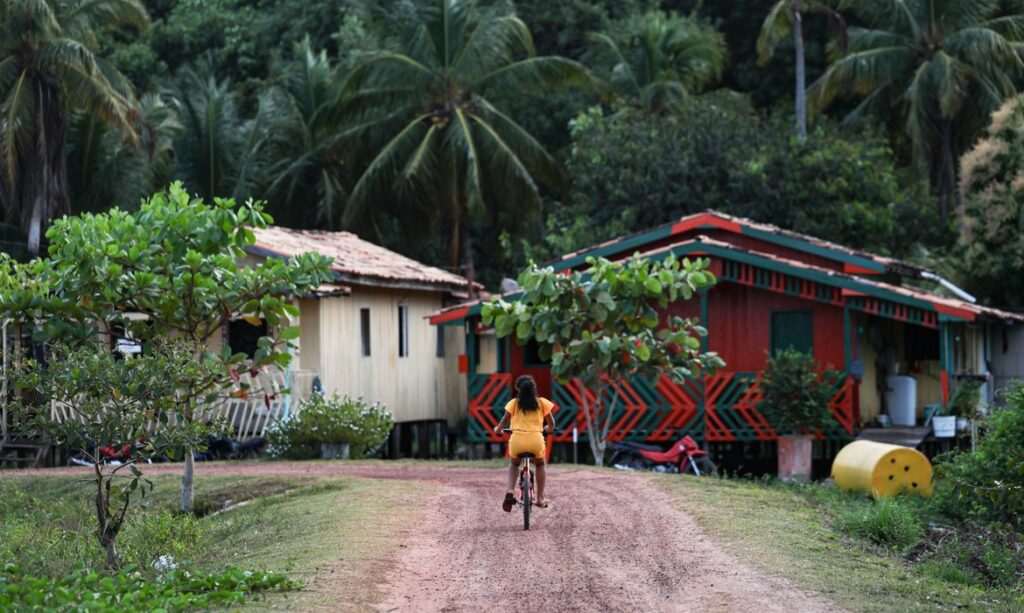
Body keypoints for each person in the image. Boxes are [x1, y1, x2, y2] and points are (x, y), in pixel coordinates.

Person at [492, 375, 555, 511]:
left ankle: (510, 490)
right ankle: (540, 498)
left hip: (517, 441)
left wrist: (497, 429)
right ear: (534, 388)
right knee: (540, 464)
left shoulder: (514, 403)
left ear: (517, 389)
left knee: (514, 464)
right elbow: (551, 423)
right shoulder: (542, 403)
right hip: (535, 441)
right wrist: (548, 429)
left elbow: (503, 422)